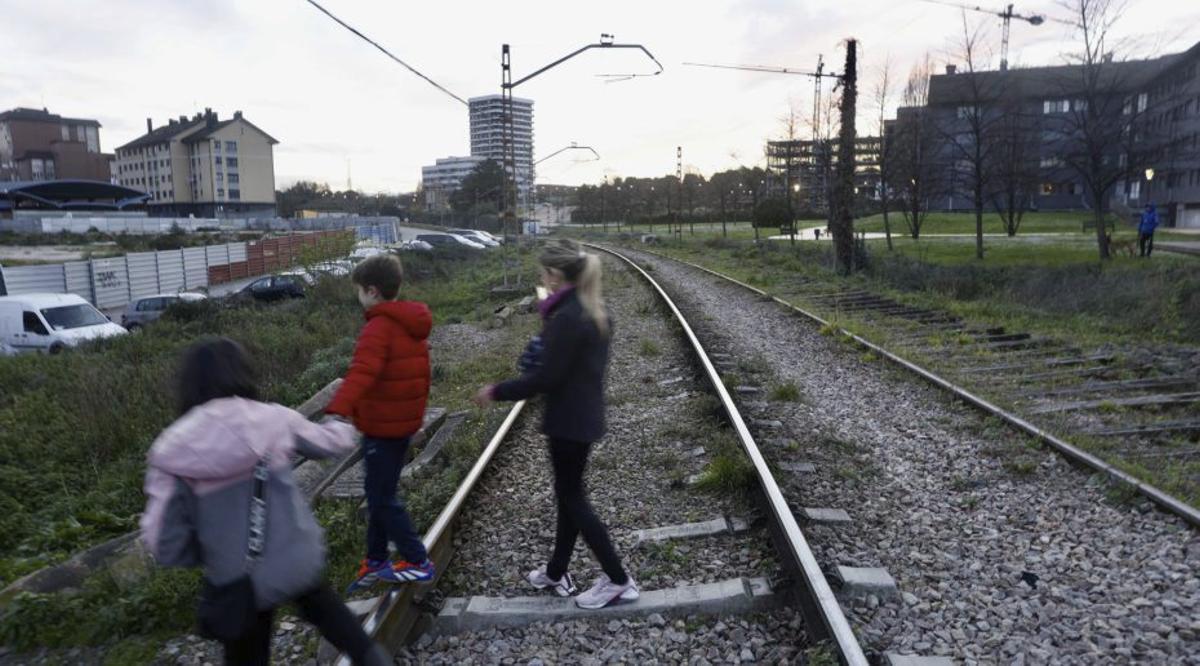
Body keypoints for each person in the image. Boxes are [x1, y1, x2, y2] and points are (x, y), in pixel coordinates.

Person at [140, 338, 387, 666]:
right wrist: (341, 421)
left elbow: (162, 541)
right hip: (296, 558)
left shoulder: (170, 450)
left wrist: (206, 552)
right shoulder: (271, 419)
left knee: (246, 652)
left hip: (236, 577)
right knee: (333, 617)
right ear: (241, 373)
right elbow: (330, 443)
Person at [473, 239, 638, 610]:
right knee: (568, 496)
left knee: (573, 499)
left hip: (568, 422)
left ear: (554, 275)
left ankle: (618, 579)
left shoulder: (566, 317)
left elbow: (545, 379)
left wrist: (496, 390)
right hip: (582, 417)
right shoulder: (589, 308)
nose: (540, 279)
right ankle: (556, 571)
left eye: (542, 273)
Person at [326, 254, 436, 593]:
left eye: (359, 290)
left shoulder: (378, 327)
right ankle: (375, 561)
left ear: (372, 291)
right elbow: (417, 377)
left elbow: (363, 373)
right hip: (398, 424)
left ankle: (418, 561)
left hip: (383, 428)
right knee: (379, 494)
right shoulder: (408, 323)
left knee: (381, 499)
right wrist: (414, 420)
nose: (358, 296)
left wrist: (337, 409)